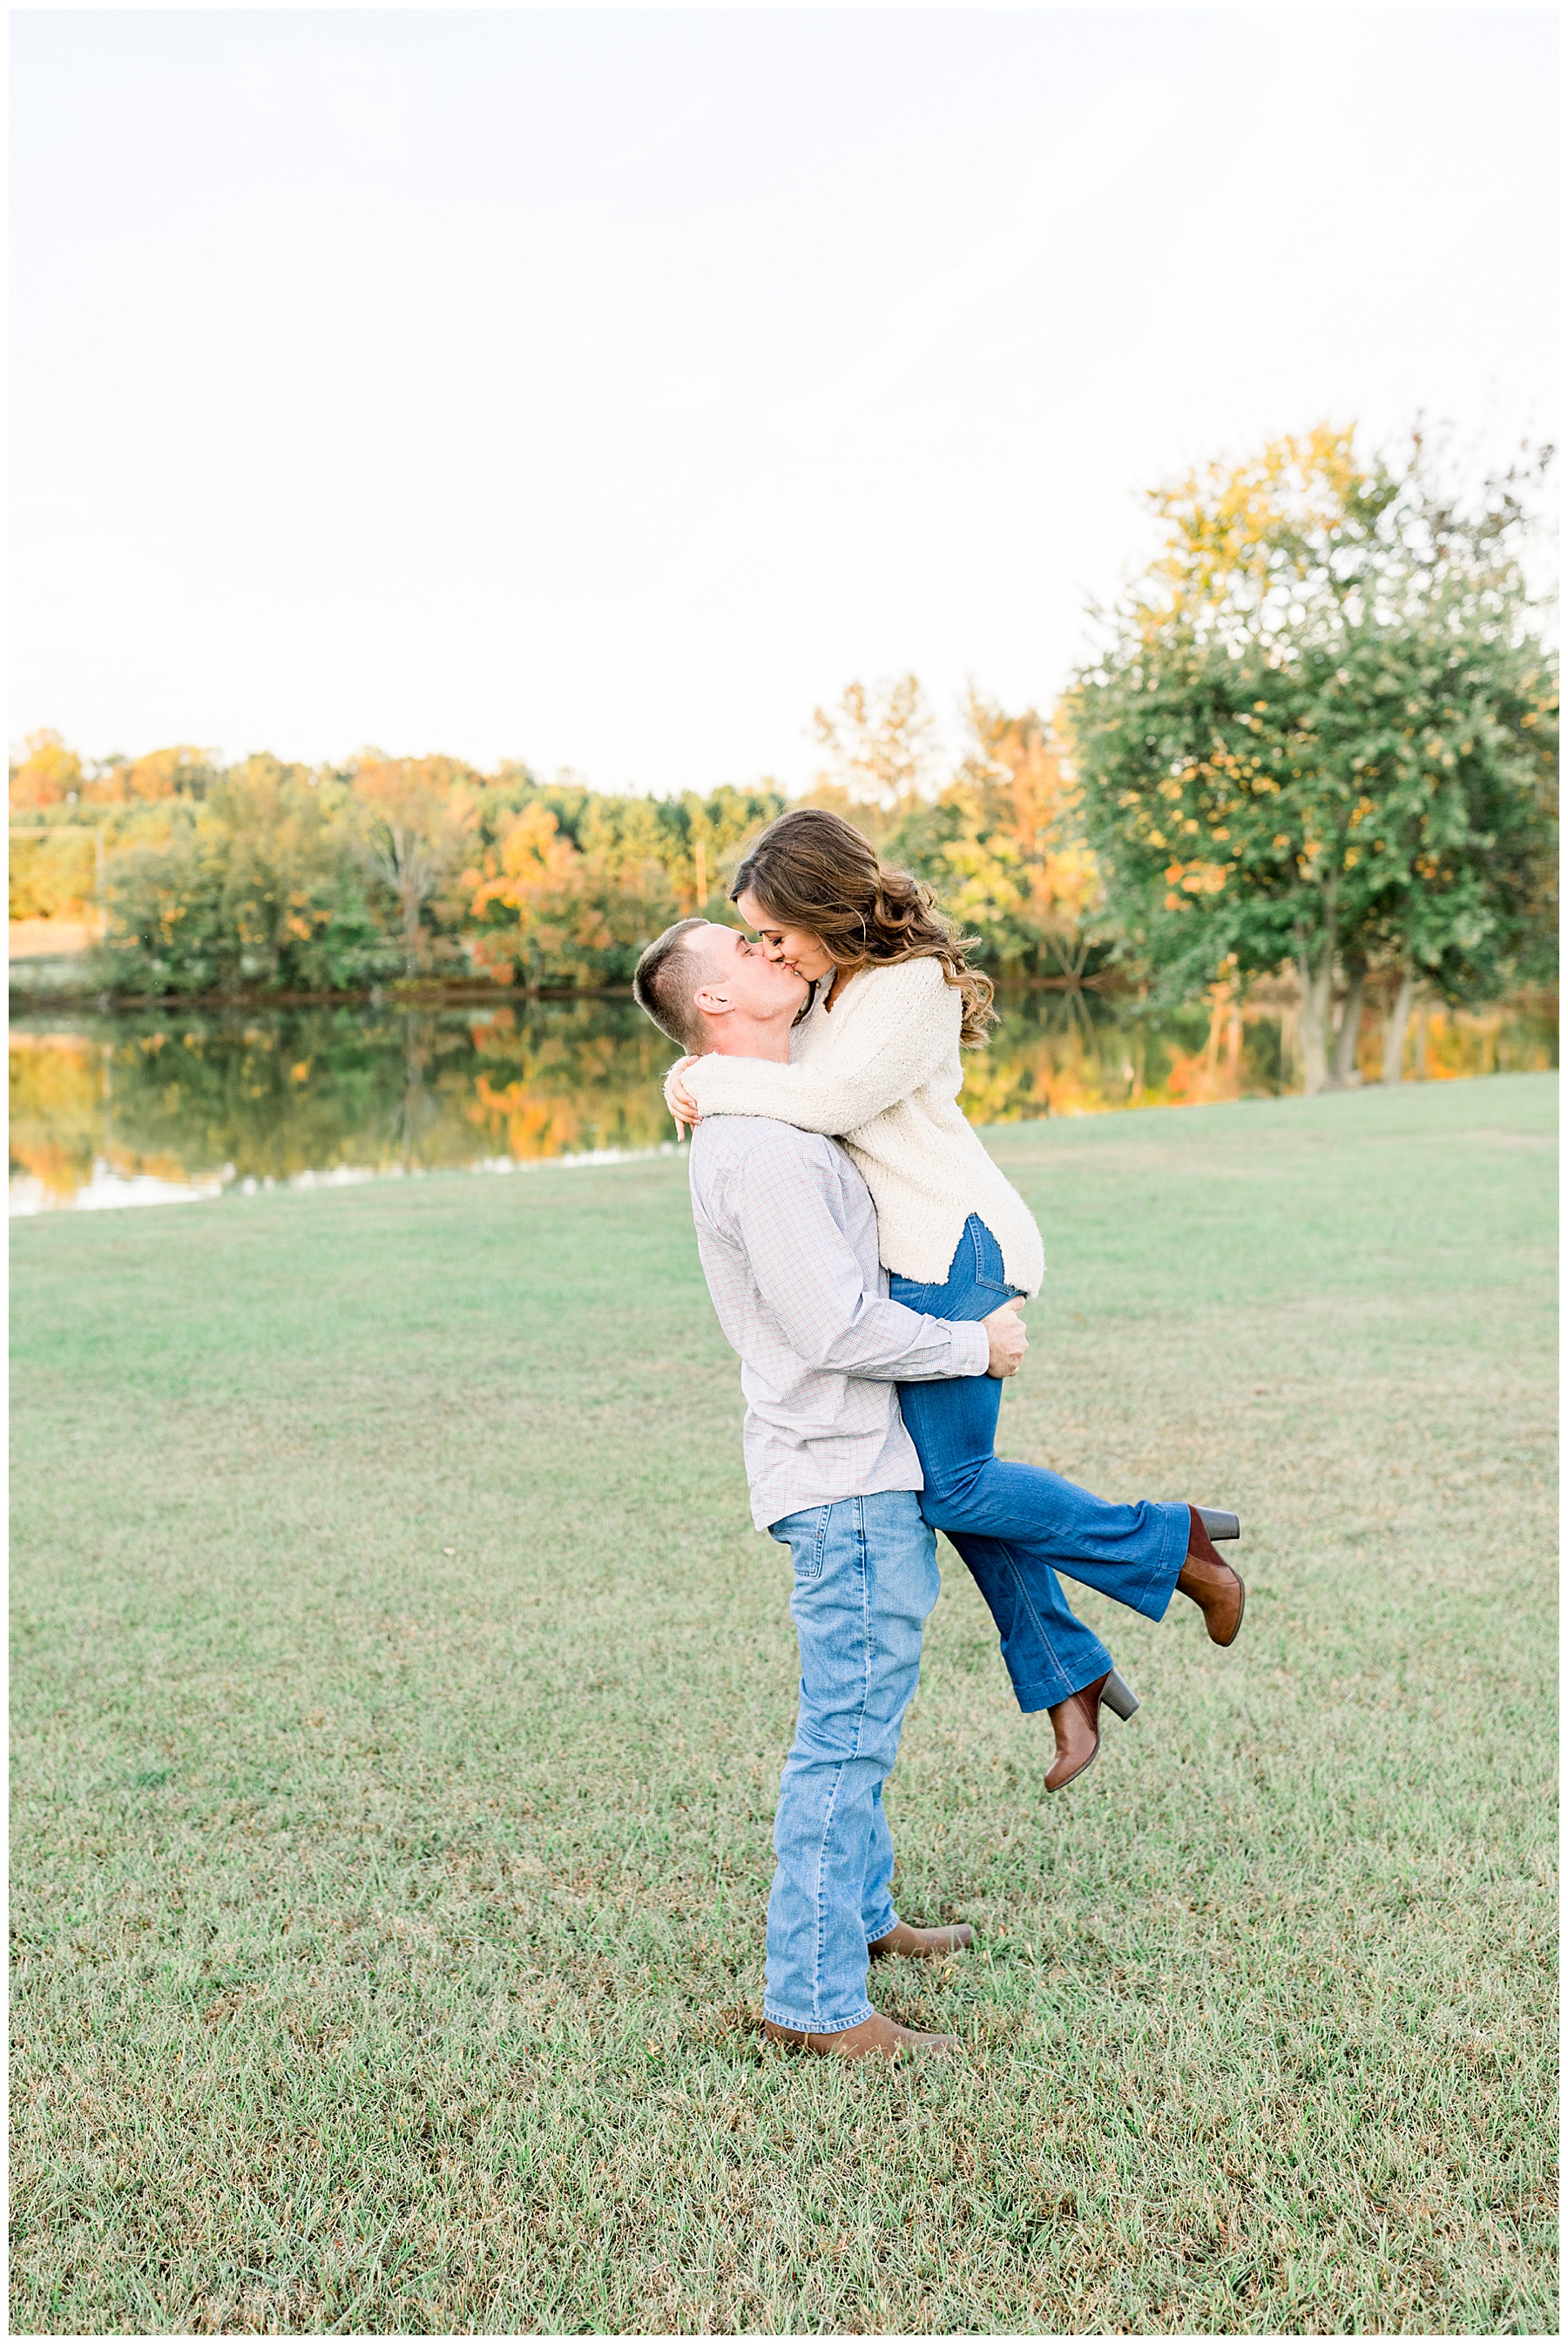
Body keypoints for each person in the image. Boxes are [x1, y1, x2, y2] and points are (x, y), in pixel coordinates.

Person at [661, 807, 1247, 1792]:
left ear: (819, 906)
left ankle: (1172, 1543)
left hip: (957, 1242)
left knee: (955, 1486)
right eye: (756, 938)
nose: (769, 948)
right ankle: (1069, 1670)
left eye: (775, 928)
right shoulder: (820, 990)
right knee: (950, 1483)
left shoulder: (909, 988)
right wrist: (699, 1062)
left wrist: (702, 1075)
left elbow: (830, 1105)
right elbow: (762, 1061)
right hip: (909, 1257)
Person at [632, 914, 1028, 2061]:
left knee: (868, 1714)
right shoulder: (763, 1147)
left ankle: (860, 1914)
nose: (781, 954)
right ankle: (813, 2001)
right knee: (845, 1731)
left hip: (862, 1465)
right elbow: (833, 1323)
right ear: (718, 1004)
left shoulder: (776, 1103)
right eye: (751, 951)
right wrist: (975, 1347)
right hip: (843, 1473)